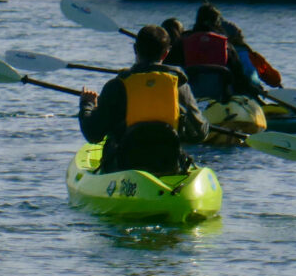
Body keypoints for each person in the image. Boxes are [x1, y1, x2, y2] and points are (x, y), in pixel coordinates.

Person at [76, 24, 209, 175]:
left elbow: (93, 134)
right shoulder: (179, 86)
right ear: (165, 54)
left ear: (135, 49)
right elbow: (199, 134)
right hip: (168, 167)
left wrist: (87, 105)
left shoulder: (117, 86)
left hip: (123, 169)